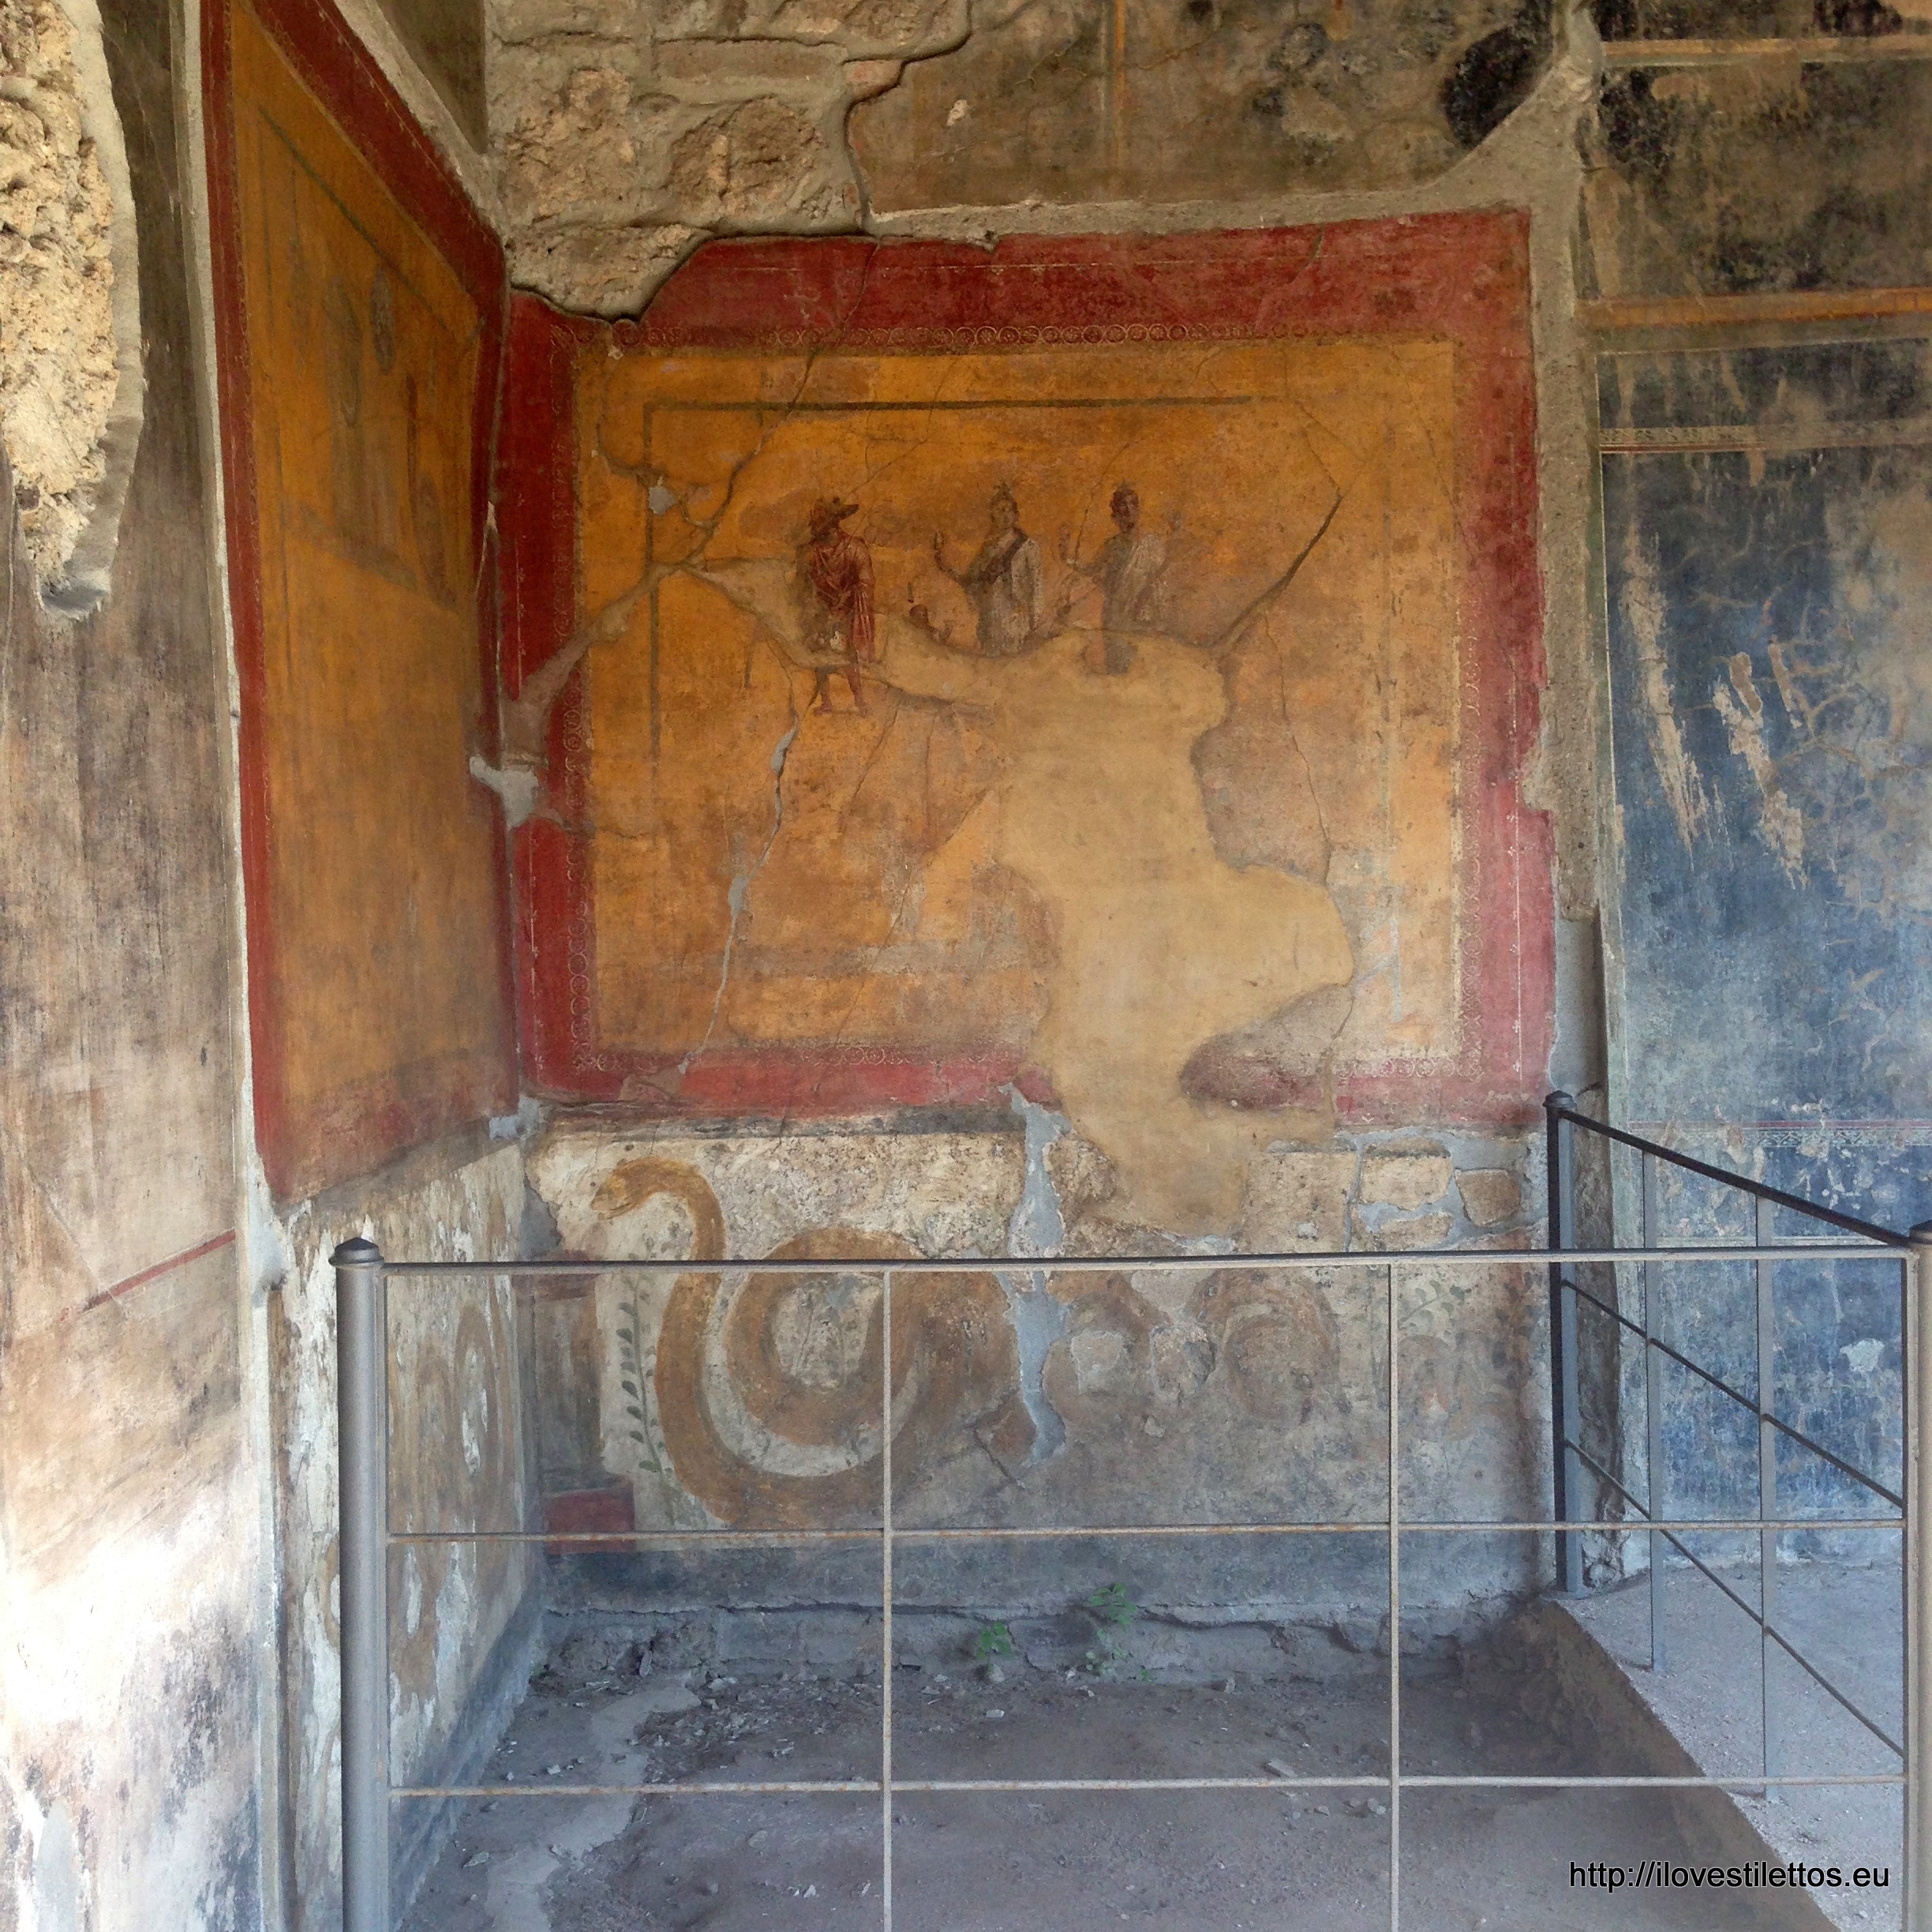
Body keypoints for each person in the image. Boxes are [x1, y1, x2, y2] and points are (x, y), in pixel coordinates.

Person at [1063, 481, 1166, 674]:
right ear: (1115, 515)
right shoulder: (1112, 545)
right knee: (1116, 665)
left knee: (1140, 669)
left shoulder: (1152, 545)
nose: (1128, 510)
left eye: (1132, 504)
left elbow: (1158, 584)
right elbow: (1093, 569)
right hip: (1114, 613)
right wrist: (1067, 559)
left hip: (1139, 613)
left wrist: (1145, 609)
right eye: (1123, 506)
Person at [933, 483, 1047, 657]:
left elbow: (1037, 585)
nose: (1005, 515)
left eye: (1009, 510)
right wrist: (944, 564)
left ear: (1016, 515)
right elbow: (970, 580)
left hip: (1016, 618)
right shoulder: (988, 550)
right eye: (1000, 510)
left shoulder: (1028, 547)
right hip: (990, 620)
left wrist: (1035, 619)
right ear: (993, 515)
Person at [800, 496, 875, 713]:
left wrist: (848, 597)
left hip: (847, 610)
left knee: (848, 657)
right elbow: (803, 584)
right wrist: (815, 606)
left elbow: (866, 582)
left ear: (832, 523)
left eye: (819, 522)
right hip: (821, 610)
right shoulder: (810, 552)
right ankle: (826, 702)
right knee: (820, 656)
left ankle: (860, 702)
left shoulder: (855, 549)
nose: (814, 527)